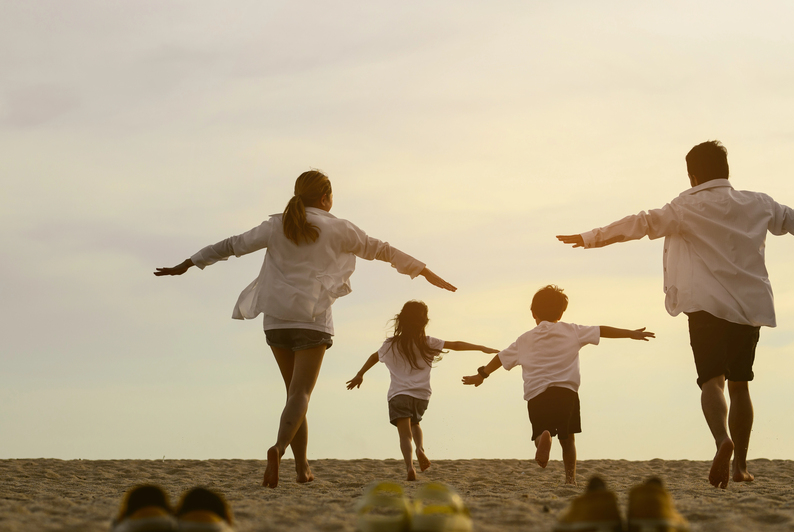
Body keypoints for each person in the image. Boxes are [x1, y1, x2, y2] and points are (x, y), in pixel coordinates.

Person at [557, 141, 794, 488]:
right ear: (726, 170)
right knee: (741, 385)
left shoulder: (683, 207)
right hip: (749, 307)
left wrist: (590, 237)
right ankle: (741, 466)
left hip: (705, 307)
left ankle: (722, 441)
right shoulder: (759, 203)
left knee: (711, 381)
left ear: (692, 175)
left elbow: (640, 223)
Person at [154, 170, 456, 488]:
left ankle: (302, 469)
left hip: (276, 322)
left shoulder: (276, 224)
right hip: (312, 322)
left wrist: (188, 263)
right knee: (301, 395)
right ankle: (278, 448)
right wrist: (423, 271)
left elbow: (231, 245)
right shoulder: (339, 227)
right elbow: (382, 250)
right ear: (326, 198)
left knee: (293, 397)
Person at [462, 285, 654, 485]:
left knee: (539, 431)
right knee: (568, 438)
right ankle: (570, 479)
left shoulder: (524, 339)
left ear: (533, 313)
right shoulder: (572, 331)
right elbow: (601, 330)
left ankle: (543, 437)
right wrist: (630, 333)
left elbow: (500, 358)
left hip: (537, 394)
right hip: (566, 393)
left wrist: (482, 375)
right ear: (561, 313)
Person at [346, 300, 498, 481]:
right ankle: (420, 448)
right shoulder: (428, 342)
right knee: (415, 423)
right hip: (421, 394)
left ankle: (410, 467)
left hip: (398, 394)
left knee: (404, 434)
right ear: (424, 321)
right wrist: (481, 348)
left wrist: (360, 374)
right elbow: (456, 345)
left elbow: (373, 357)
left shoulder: (390, 344)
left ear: (401, 320)